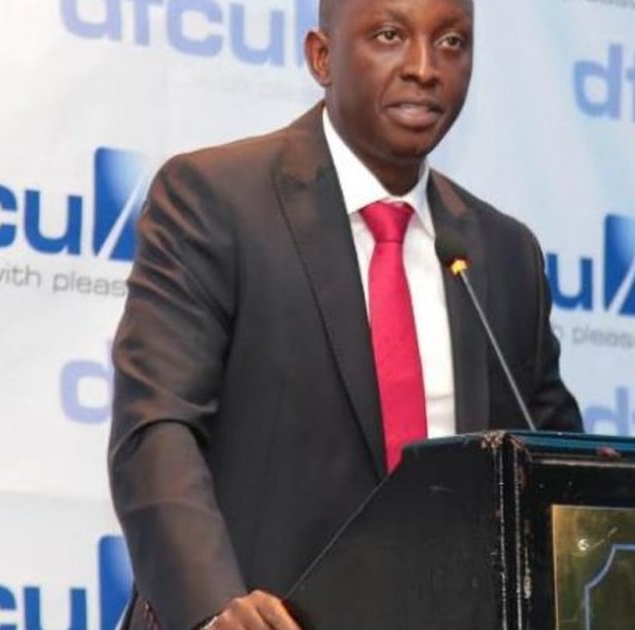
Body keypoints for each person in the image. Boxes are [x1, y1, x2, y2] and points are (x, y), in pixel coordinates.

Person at [108, 0, 583, 628]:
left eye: (451, 42)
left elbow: (557, 464)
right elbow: (156, 429)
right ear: (322, 57)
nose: (424, 68)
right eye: (389, 35)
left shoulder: (502, 251)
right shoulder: (215, 199)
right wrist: (215, 608)